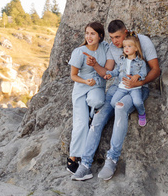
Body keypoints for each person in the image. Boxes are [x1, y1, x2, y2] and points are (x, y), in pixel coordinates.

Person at [72, 19, 160, 182]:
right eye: (111, 38)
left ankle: (111, 160)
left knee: (120, 108)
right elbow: (108, 71)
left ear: (126, 32)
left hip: (138, 88)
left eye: (117, 37)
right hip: (117, 88)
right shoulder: (113, 47)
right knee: (99, 117)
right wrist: (96, 64)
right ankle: (85, 164)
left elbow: (156, 69)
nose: (114, 42)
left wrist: (139, 82)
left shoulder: (142, 41)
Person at [67, 21, 113, 176]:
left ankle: (91, 113)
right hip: (81, 88)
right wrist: (85, 81)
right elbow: (73, 76)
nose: (89, 36)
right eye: (87, 33)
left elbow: (108, 70)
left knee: (98, 101)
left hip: (97, 86)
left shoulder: (105, 48)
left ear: (100, 36)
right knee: (80, 124)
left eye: (92, 33)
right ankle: (72, 159)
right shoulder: (79, 52)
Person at [104, 33, 147, 127]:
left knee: (138, 102)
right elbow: (117, 71)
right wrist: (109, 74)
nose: (126, 48)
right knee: (112, 102)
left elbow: (144, 73)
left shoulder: (140, 62)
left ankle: (142, 113)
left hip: (135, 88)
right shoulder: (122, 60)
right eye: (124, 46)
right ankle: (123, 113)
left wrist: (138, 76)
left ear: (136, 48)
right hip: (122, 87)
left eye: (129, 46)